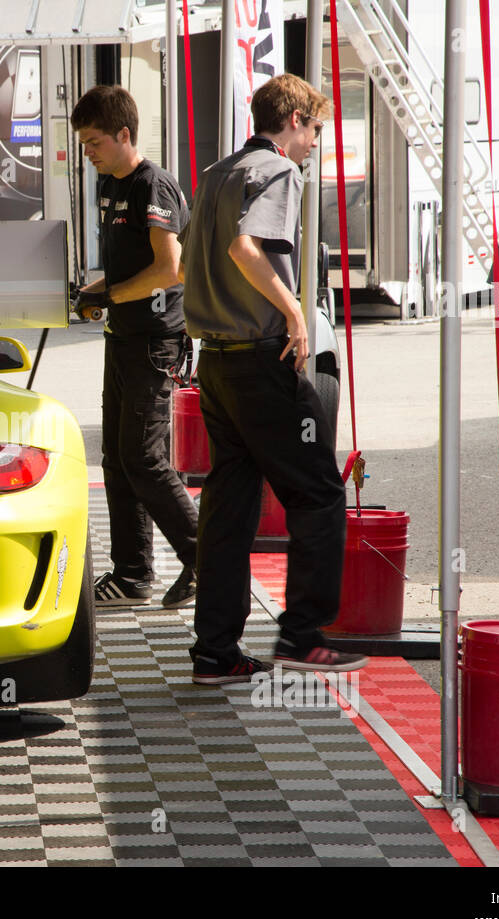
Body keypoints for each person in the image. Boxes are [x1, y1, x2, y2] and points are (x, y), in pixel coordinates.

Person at [179, 74, 367, 684]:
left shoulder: (214, 173)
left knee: (229, 508)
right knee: (318, 494)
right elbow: (245, 248)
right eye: (314, 129)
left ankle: (216, 652)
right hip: (262, 356)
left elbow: (194, 258)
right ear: (291, 120)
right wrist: (292, 311)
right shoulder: (278, 170)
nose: (315, 142)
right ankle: (303, 635)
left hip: (217, 361)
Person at [70, 85, 199, 610]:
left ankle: (208, 561)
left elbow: (171, 269)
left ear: (126, 134)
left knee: (144, 458)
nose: (89, 152)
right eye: (83, 143)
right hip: (122, 336)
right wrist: (94, 292)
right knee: (116, 460)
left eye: (96, 141)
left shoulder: (154, 186)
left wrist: (112, 295)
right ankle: (131, 575)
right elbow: (126, 269)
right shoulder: (109, 184)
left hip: (154, 341)